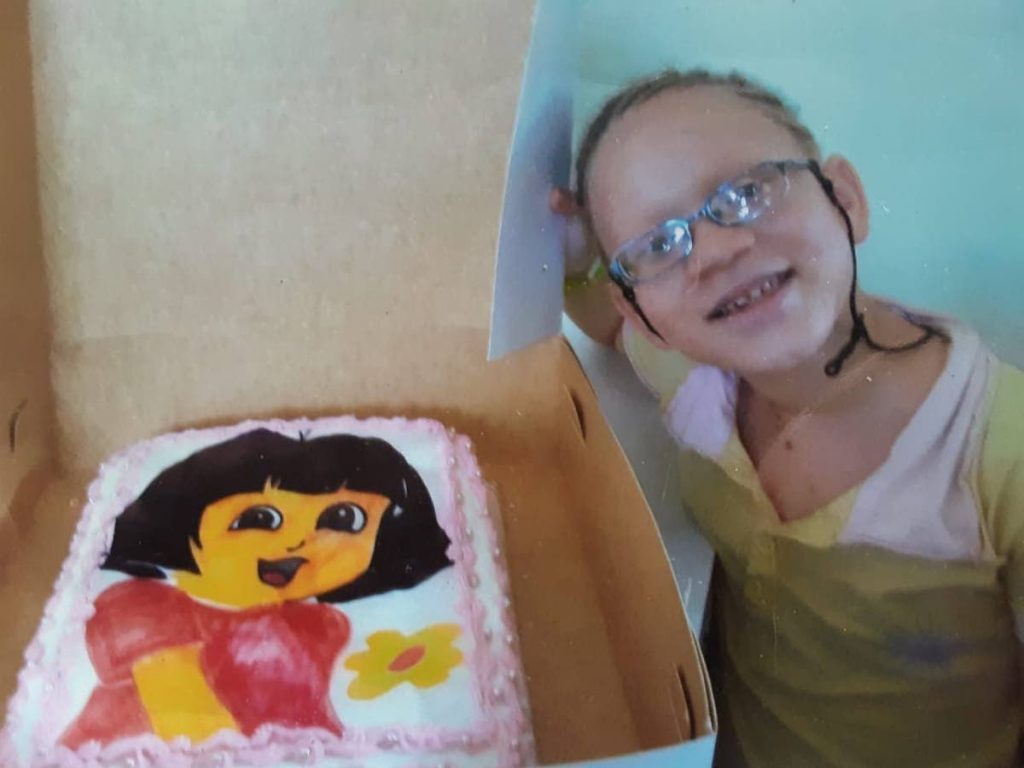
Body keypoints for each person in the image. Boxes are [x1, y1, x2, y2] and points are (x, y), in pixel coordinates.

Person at [553, 69, 1024, 767]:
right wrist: (568, 251)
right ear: (646, 319)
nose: (715, 250)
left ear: (846, 198)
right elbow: (600, 313)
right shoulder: (698, 376)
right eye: (659, 245)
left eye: (746, 194)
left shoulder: (998, 448)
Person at [60, 428, 452, 747]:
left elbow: (315, 722)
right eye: (261, 518)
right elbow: (195, 728)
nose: (300, 542)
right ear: (182, 523)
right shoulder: (145, 611)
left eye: (343, 519)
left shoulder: (320, 624)